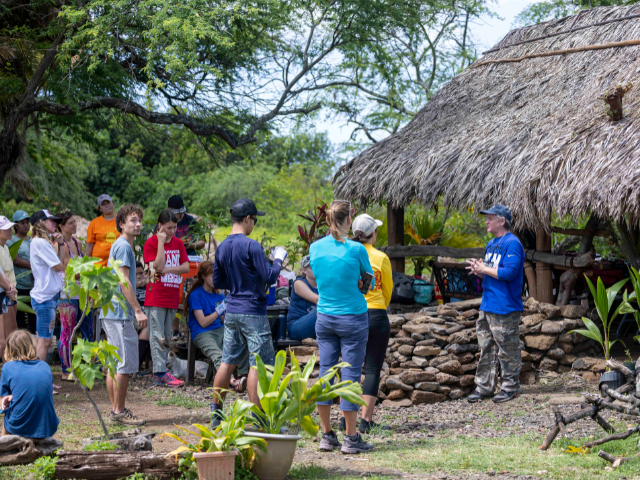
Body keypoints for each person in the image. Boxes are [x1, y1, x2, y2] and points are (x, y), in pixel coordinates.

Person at [209, 198, 286, 426]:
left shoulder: (222, 247)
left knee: (227, 361)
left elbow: (218, 280)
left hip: (232, 310)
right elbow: (271, 277)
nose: (254, 224)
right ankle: (259, 416)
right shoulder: (251, 245)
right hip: (253, 311)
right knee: (258, 363)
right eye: (254, 220)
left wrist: (239, 283)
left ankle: (216, 414)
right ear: (247, 219)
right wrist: (279, 259)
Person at [310, 200, 375, 454]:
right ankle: (350, 438)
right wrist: (356, 286)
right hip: (353, 318)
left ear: (327, 220)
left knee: (325, 372)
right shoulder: (357, 250)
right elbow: (367, 283)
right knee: (350, 375)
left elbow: (317, 277)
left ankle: (326, 435)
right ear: (349, 219)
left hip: (325, 317)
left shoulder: (315, 248)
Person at [466, 204, 525, 404]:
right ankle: (484, 386)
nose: (486, 221)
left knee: (507, 348)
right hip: (488, 303)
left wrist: (485, 268)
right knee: (486, 347)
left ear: (502, 221)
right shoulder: (491, 243)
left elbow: (509, 273)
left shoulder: (513, 243)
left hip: (505, 306)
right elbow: (493, 271)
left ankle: (510, 386)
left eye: (490, 218)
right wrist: (480, 270)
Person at [100, 204, 148, 426]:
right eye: (132, 220)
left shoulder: (121, 246)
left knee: (115, 364)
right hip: (119, 313)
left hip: (111, 311)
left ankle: (115, 411)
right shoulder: (124, 247)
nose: (137, 224)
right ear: (121, 224)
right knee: (125, 365)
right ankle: (119, 413)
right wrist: (138, 310)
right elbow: (124, 280)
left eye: (139, 220)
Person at [349, 213, 393, 434]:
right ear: (373, 234)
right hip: (375, 313)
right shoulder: (381, 257)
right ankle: (365, 421)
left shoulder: (347, 253)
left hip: (350, 314)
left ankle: (345, 420)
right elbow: (388, 290)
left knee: (350, 367)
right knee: (373, 368)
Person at [184, 261, 248, 393]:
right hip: (202, 332)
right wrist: (218, 311)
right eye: (212, 276)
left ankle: (243, 376)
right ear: (203, 276)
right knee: (218, 355)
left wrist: (232, 311)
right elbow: (202, 322)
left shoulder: (220, 294)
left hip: (219, 329)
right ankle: (232, 381)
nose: (216, 279)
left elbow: (223, 319)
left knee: (241, 341)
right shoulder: (195, 295)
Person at [143, 209, 189, 387]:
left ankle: (162, 371)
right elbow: (155, 268)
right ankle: (160, 373)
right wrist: (161, 243)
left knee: (169, 337)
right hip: (156, 296)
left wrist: (167, 270)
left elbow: (185, 267)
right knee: (157, 336)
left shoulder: (178, 243)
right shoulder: (151, 244)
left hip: (171, 296)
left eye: (174, 227)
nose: (172, 231)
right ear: (160, 225)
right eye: (168, 227)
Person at [0, 330, 59, 438]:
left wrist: (8, 397)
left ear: (9, 349)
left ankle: (3, 443)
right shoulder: (44, 366)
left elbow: (3, 403)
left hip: (19, 426)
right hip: (48, 426)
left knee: (6, 407)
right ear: (32, 346)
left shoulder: (8, 367)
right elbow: (40, 391)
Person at [56, 211, 93, 380]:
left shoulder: (78, 243)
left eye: (75, 222)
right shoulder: (59, 245)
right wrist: (88, 273)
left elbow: (83, 264)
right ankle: (66, 368)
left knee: (87, 329)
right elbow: (66, 270)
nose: (74, 225)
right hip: (67, 293)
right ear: (61, 226)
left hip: (82, 292)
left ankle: (87, 366)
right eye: (70, 223)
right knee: (67, 331)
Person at [29, 210, 68, 363]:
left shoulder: (40, 242)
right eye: (51, 220)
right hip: (45, 298)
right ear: (41, 223)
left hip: (46, 297)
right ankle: (42, 381)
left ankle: (42, 379)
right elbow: (60, 266)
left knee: (42, 340)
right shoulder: (41, 242)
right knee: (44, 342)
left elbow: (57, 264)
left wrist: (60, 244)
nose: (55, 223)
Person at [8, 211, 36, 334]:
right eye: (22, 223)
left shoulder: (33, 240)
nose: (26, 225)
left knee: (33, 319)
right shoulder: (11, 241)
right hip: (19, 286)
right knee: (20, 321)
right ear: (15, 226)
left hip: (34, 286)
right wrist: (33, 265)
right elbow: (15, 260)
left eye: (27, 222)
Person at [286, 255, 318, 340]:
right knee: (323, 311)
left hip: (317, 324)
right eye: (312, 267)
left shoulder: (324, 285)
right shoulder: (298, 283)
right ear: (304, 270)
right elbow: (317, 300)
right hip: (296, 327)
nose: (316, 268)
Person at [0, 216, 18, 361]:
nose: (10, 230)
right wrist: (8, 288)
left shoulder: (5, 247)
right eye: (6, 228)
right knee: (6, 339)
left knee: (12, 335)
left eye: (10, 227)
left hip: (11, 294)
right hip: (5, 295)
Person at [86, 194, 119, 267]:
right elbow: (89, 244)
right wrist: (85, 263)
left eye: (108, 203)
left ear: (112, 204)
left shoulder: (121, 220)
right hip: (98, 265)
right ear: (100, 209)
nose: (107, 205)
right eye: (103, 204)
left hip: (118, 264)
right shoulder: (94, 223)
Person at [135, 261, 151, 370]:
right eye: (135, 274)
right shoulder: (128, 286)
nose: (138, 276)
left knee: (148, 327)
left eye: (141, 273)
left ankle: (137, 363)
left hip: (145, 319)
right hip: (132, 318)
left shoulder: (149, 286)